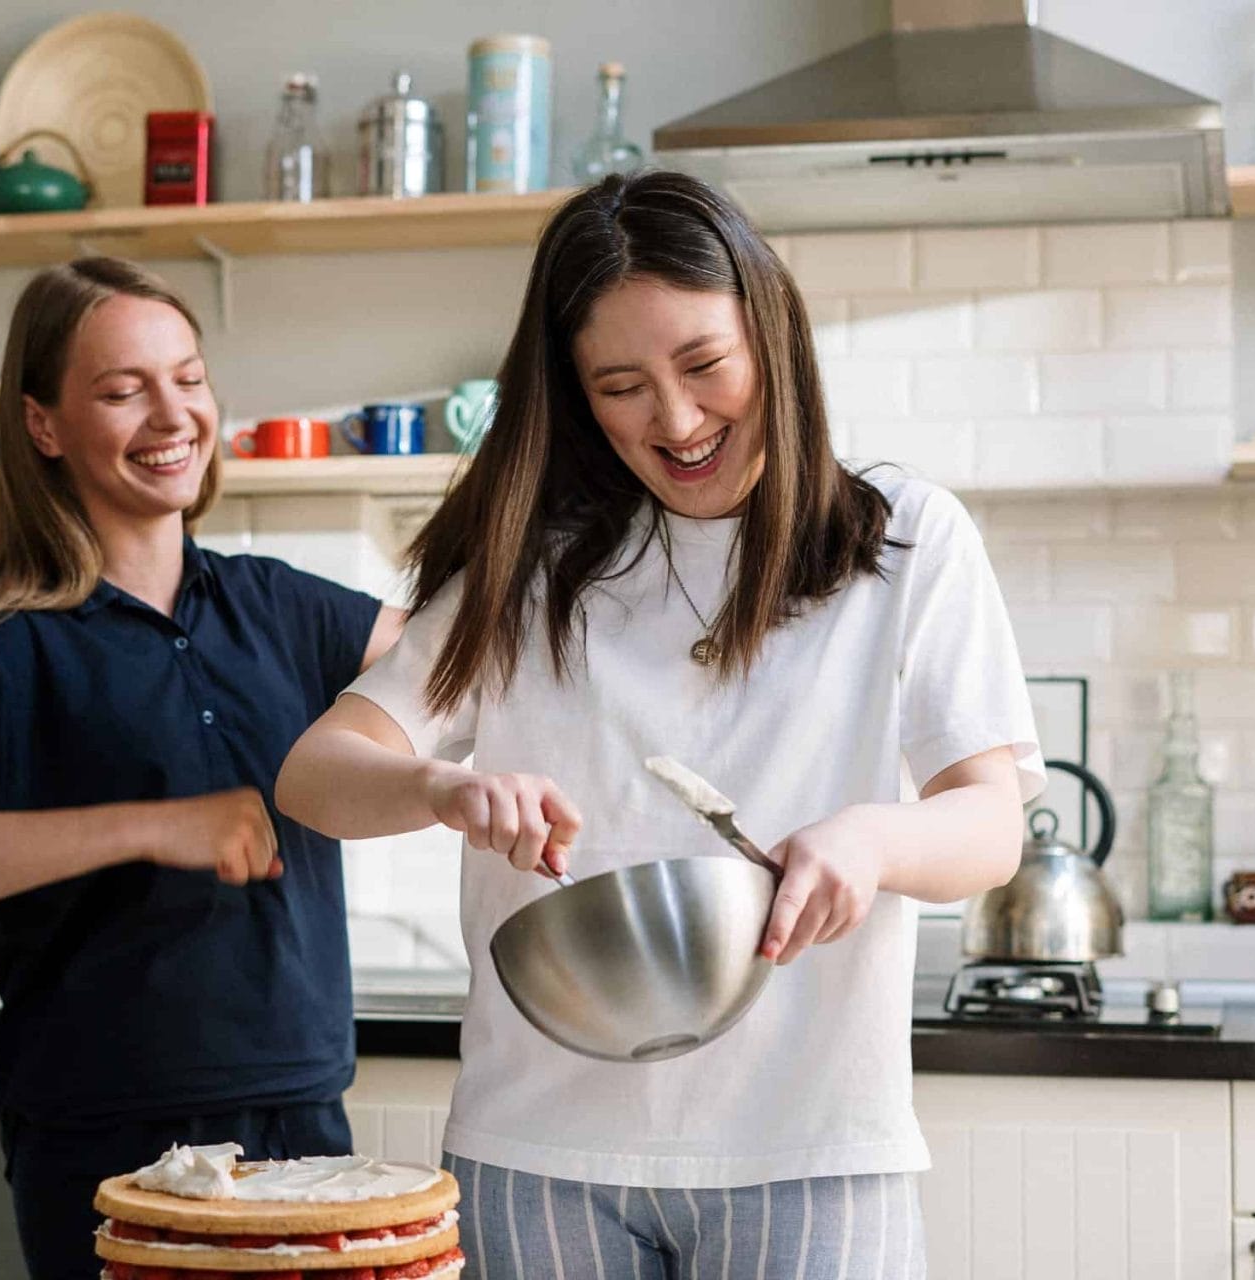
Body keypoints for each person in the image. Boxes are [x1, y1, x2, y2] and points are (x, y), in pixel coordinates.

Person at [276, 171, 1043, 1277]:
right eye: (622, 385)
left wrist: (872, 839)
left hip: (814, 1146)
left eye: (703, 365)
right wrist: (438, 789)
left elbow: (989, 822)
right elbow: (316, 774)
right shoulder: (532, 569)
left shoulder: (904, 539)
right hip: (538, 1150)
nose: (677, 422)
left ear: (770, 334)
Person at [0, 257, 402, 1280]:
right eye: (121, 388)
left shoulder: (281, 606)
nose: (171, 412)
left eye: (187, 377)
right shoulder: (4, 644)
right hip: (106, 1144)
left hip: (303, 1118)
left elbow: (476, 660)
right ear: (44, 424)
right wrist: (153, 822)